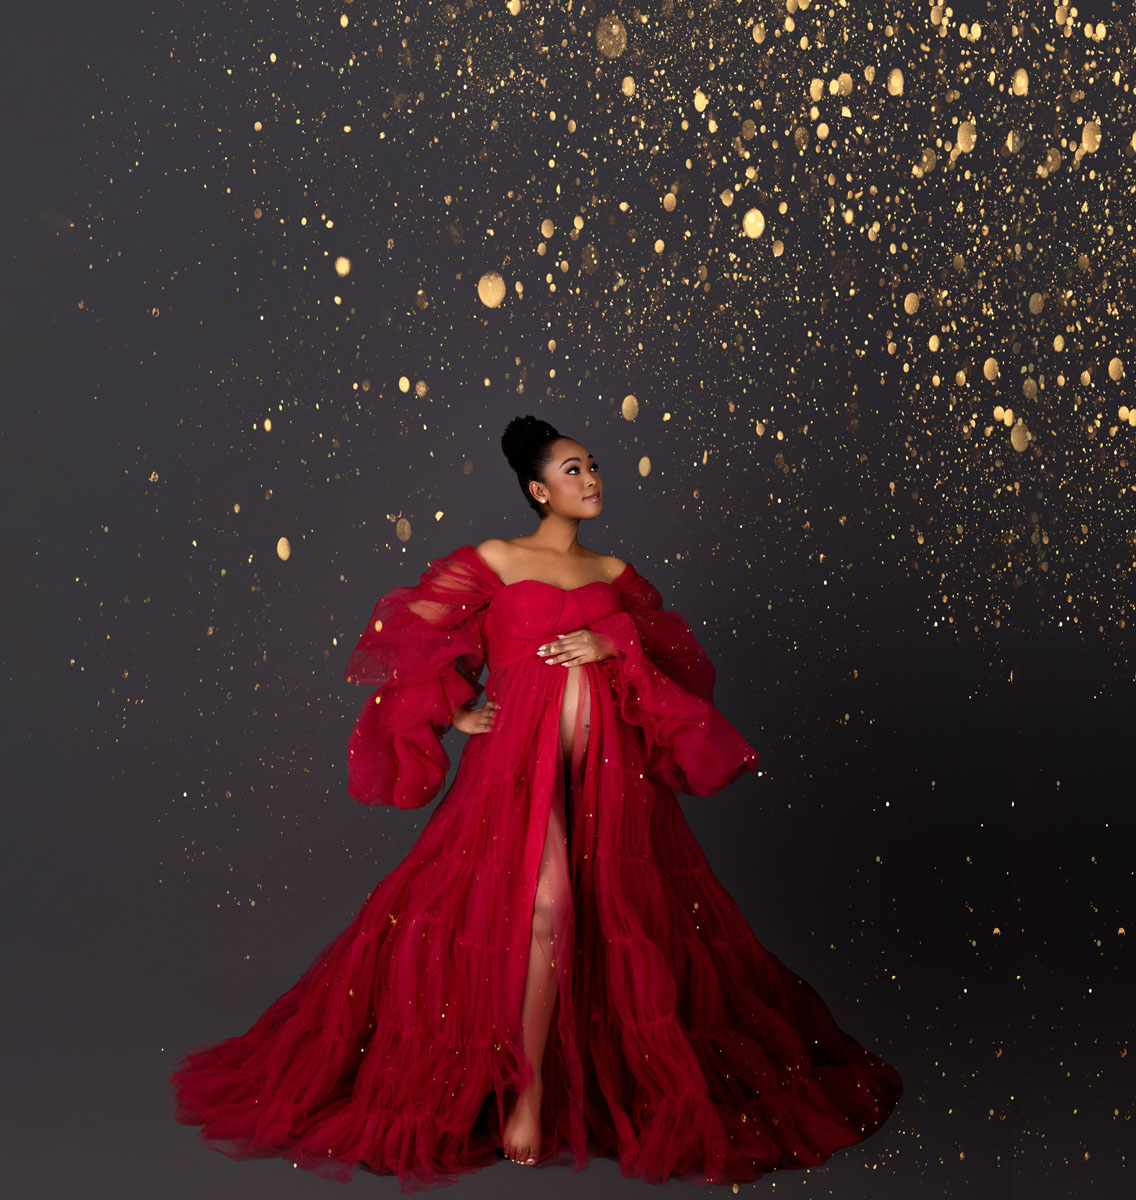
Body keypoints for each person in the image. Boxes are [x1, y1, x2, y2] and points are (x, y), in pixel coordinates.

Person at [170, 414, 902, 1187]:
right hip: (515, 773)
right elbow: (407, 633)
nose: (591, 480)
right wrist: (453, 710)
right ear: (537, 489)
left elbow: (679, 668)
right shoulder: (494, 560)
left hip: (613, 781)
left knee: (614, 914)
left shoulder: (616, 574)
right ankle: (530, 1090)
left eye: (593, 467)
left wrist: (613, 642)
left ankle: (573, 1078)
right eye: (573, 470)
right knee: (545, 908)